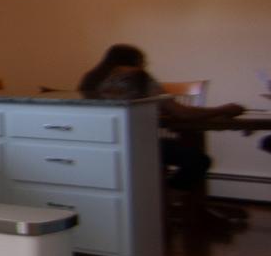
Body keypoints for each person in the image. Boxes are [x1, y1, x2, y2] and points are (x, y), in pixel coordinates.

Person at [76, 43, 249, 191]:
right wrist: (222, 109)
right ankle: (165, 195)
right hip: (137, 148)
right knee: (198, 160)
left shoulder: (90, 79)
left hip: (102, 149)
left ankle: (160, 199)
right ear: (137, 61)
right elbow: (183, 113)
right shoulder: (138, 77)